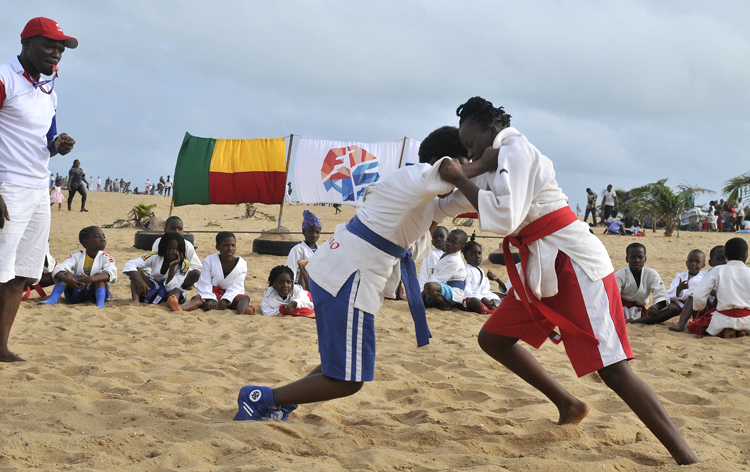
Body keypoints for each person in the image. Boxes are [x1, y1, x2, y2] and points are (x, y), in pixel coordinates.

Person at [436, 97, 697, 465]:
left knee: (614, 370)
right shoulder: (495, 162)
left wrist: (461, 176)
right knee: (493, 338)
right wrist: (429, 205)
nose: (469, 150)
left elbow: (505, 216)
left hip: (574, 265)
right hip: (541, 269)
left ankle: (686, 458)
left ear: (492, 130)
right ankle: (569, 403)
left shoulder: (519, 151)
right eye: (464, 147)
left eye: (471, 142)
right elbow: (455, 201)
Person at [231, 125, 494, 422]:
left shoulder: (419, 200)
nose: (466, 168)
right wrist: (487, 161)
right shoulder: (415, 175)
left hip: (341, 272)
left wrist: (498, 175)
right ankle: (261, 398)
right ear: (439, 159)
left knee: (345, 363)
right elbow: (448, 170)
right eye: (465, 160)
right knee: (349, 379)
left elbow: (457, 202)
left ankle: (275, 402)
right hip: (348, 277)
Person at [0, 17, 77, 362]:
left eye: (60, 48)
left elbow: (45, 141)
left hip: (38, 191)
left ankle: (0, 348)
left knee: (22, 274)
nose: (56, 52)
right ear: (26, 43)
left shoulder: (49, 92)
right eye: (49, 45)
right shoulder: (5, 78)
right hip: (8, 187)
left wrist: (57, 145)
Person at [168, 231, 255, 315]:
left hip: (231, 295)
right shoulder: (209, 260)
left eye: (233, 245)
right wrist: (209, 298)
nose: (230, 248)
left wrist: (226, 299)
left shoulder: (242, 264)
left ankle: (244, 312)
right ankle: (180, 308)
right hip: (211, 292)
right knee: (196, 299)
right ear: (217, 247)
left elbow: (237, 286)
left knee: (244, 298)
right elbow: (204, 282)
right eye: (226, 245)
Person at [39, 226, 116, 308]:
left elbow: (110, 273)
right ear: (86, 242)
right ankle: (53, 299)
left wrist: (90, 279)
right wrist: (68, 279)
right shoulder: (77, 255)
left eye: (103, 236)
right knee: (67, 274)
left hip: (94, 292)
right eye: (97, 236)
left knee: (99, 278)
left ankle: (100, 304)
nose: (103, 239)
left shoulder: (106, 257)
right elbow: (60, 267)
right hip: (77, 290)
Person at [691, 238, 750, 338]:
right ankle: (741, 329)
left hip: (723, 317)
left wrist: (699, 308)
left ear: (726, 256)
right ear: (745, 256)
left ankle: (726, 329)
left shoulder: (717, 270)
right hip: (747, 317)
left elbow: (698, 295)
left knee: (694, 327)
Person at [124, 232, 189, 306]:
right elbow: (130, 264)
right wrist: (140, 281)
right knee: (136, 273)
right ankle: (136, 300)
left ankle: (173, 303)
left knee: (176, 291)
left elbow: (171, 287)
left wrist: (172, 268)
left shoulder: (184, 264)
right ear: (164, 248)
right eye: (170, 248)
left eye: (177, 249)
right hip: (151, 288)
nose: (174, 252)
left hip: (168, 292)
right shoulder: (155, 256)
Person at [644, 249, 706, 325]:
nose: (693, 263)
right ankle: (644, 319)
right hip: (679, 304)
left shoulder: (704, 278)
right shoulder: (680, 276)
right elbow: (669, 294)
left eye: (697, 261)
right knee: (669, 308)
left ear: (703, 265)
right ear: (686, 263)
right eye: (690, 260)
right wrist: (679, 289)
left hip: (696, 306)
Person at [616, 243, 669, 323]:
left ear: (645, 259)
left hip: (640, 310)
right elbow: (613, 297)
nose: (637, 260)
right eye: (633, 257)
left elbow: (661, 295)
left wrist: (656, 306)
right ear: (627, 259)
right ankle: (637, 321)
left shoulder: (652, 274)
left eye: (640, 257)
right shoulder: (619, 275)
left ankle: (634, 322)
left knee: (672, 310)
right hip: (621, 308)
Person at [422, 229, 468, 310]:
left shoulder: (454, 261)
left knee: (430, 286)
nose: (449, 244)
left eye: (453, 243)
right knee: (428, 288)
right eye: (448, 240)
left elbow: (437, 279)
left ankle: (445, 304)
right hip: (445, 288)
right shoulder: (447, 254)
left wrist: (421, 295)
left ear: (461, 248)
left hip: (454, 293)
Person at [151, 216, 202, 289]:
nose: (176, 231)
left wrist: (180, 271)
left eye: (180, 229)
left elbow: (197, 266)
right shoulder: (158, 243)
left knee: (196, 274)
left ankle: (179, 284)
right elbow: (153, 262)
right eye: (172, 228)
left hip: (180, 277)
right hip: (161, 276)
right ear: (165, 230)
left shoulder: (187, 245)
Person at [461, 237, 505, 314]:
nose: (477, 256)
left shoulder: (479, 270)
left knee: (500, 297)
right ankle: (485, 308)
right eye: (473, 254)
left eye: (479, 253)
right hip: (470, 298)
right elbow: (466, 291)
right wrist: (483, 299)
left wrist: (490, 299)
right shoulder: (466, 269)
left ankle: (488, 307)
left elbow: (485, 290)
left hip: (481, 296)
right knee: (475, 302)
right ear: (465, 256)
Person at [285, 210, 321, 291]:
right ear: (304, 232)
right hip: (301, 287)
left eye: (317, 232)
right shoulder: (297, 250)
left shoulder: (321, 250)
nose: (314, 235)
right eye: (311, 231)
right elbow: (290, 273)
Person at [418, 226, 447, 291]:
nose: (438, 239)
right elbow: (424, 274)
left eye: (442, 236)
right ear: (432, 242)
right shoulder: (430, 253)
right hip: (434, 289)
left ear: (448, 239)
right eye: (435, 237)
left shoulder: (453, 255)